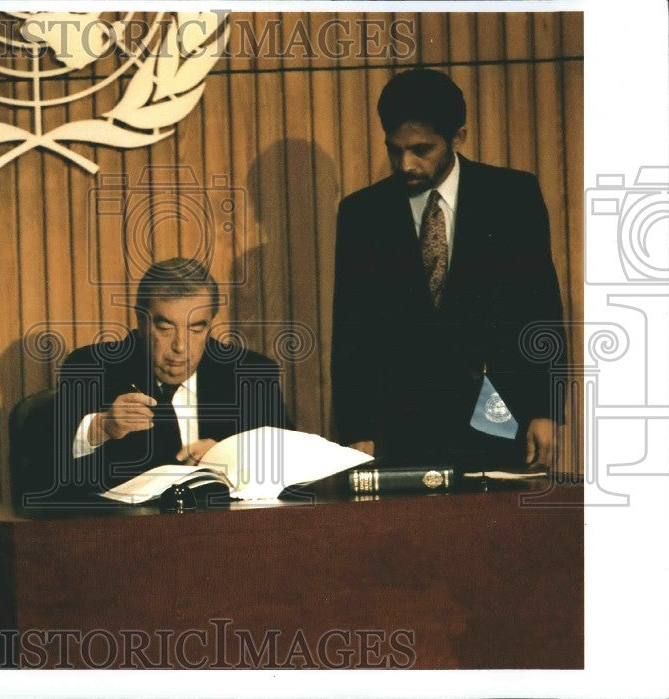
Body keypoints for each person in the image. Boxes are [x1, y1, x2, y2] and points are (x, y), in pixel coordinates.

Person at [330, 68, 565, 470]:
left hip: (499, 414)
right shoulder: (360, 214)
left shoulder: (513, 196)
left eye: (421, 149)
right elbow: (351, 332)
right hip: (401, 425)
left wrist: (546, 410)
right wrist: (356, 430)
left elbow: (541, 309)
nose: (405, 164)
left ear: (458, 137)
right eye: (394, 149)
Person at [49, 257, 289, 501]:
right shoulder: (93, 369)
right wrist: (102, 428)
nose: (181, 346)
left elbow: (295, 473)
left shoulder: (251, 374)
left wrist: (232, 456)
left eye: (196, 329)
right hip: (130, 532)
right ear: (141, 321)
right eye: (165, 328)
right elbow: (48, 471)